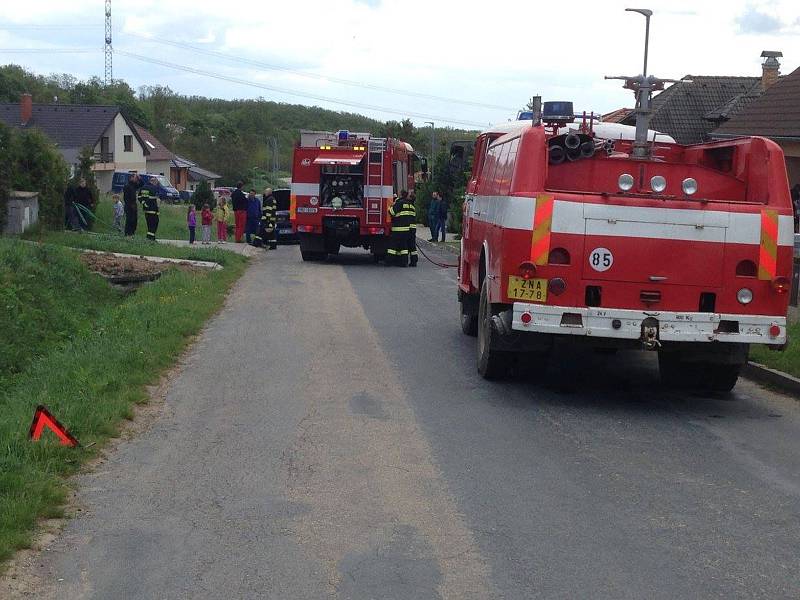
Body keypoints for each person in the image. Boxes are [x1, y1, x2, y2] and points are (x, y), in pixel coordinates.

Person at [387, 190, 416, 267]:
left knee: (392, 247)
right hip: (409, 229)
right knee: (406, 246)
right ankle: (407, 262)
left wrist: (389, 208)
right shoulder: (411, 205)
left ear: (401, 195)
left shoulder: (400, 203)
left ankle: (389, 261)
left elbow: (392, 213)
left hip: (398, 229)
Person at [139, 176, 160, 241]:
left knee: (149, 224)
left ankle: (151, 238)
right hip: (153, 209)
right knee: (154, 224)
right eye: (156, 182)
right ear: (153, 181)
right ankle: (150, 238)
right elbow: (155, 199)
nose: (157, 183)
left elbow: (139, 197)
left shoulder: (143, 188)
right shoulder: (153, 188)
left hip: (146, 210)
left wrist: (144, 204)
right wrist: (157, 210)